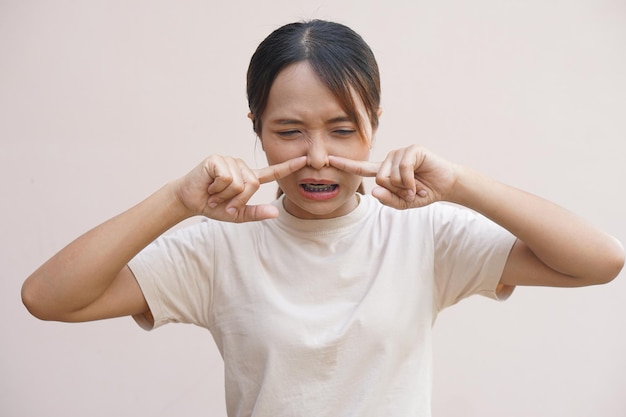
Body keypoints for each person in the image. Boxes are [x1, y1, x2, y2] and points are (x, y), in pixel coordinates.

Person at [22, 19, 624, 417]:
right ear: (255, 126)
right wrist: (176, 199)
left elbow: (600, 261)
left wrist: (462, 184)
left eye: (342, 130)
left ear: (375, 126)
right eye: (288, 131)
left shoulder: (421, 234)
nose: (316, 158)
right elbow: (47, 298)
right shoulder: (217, 248)